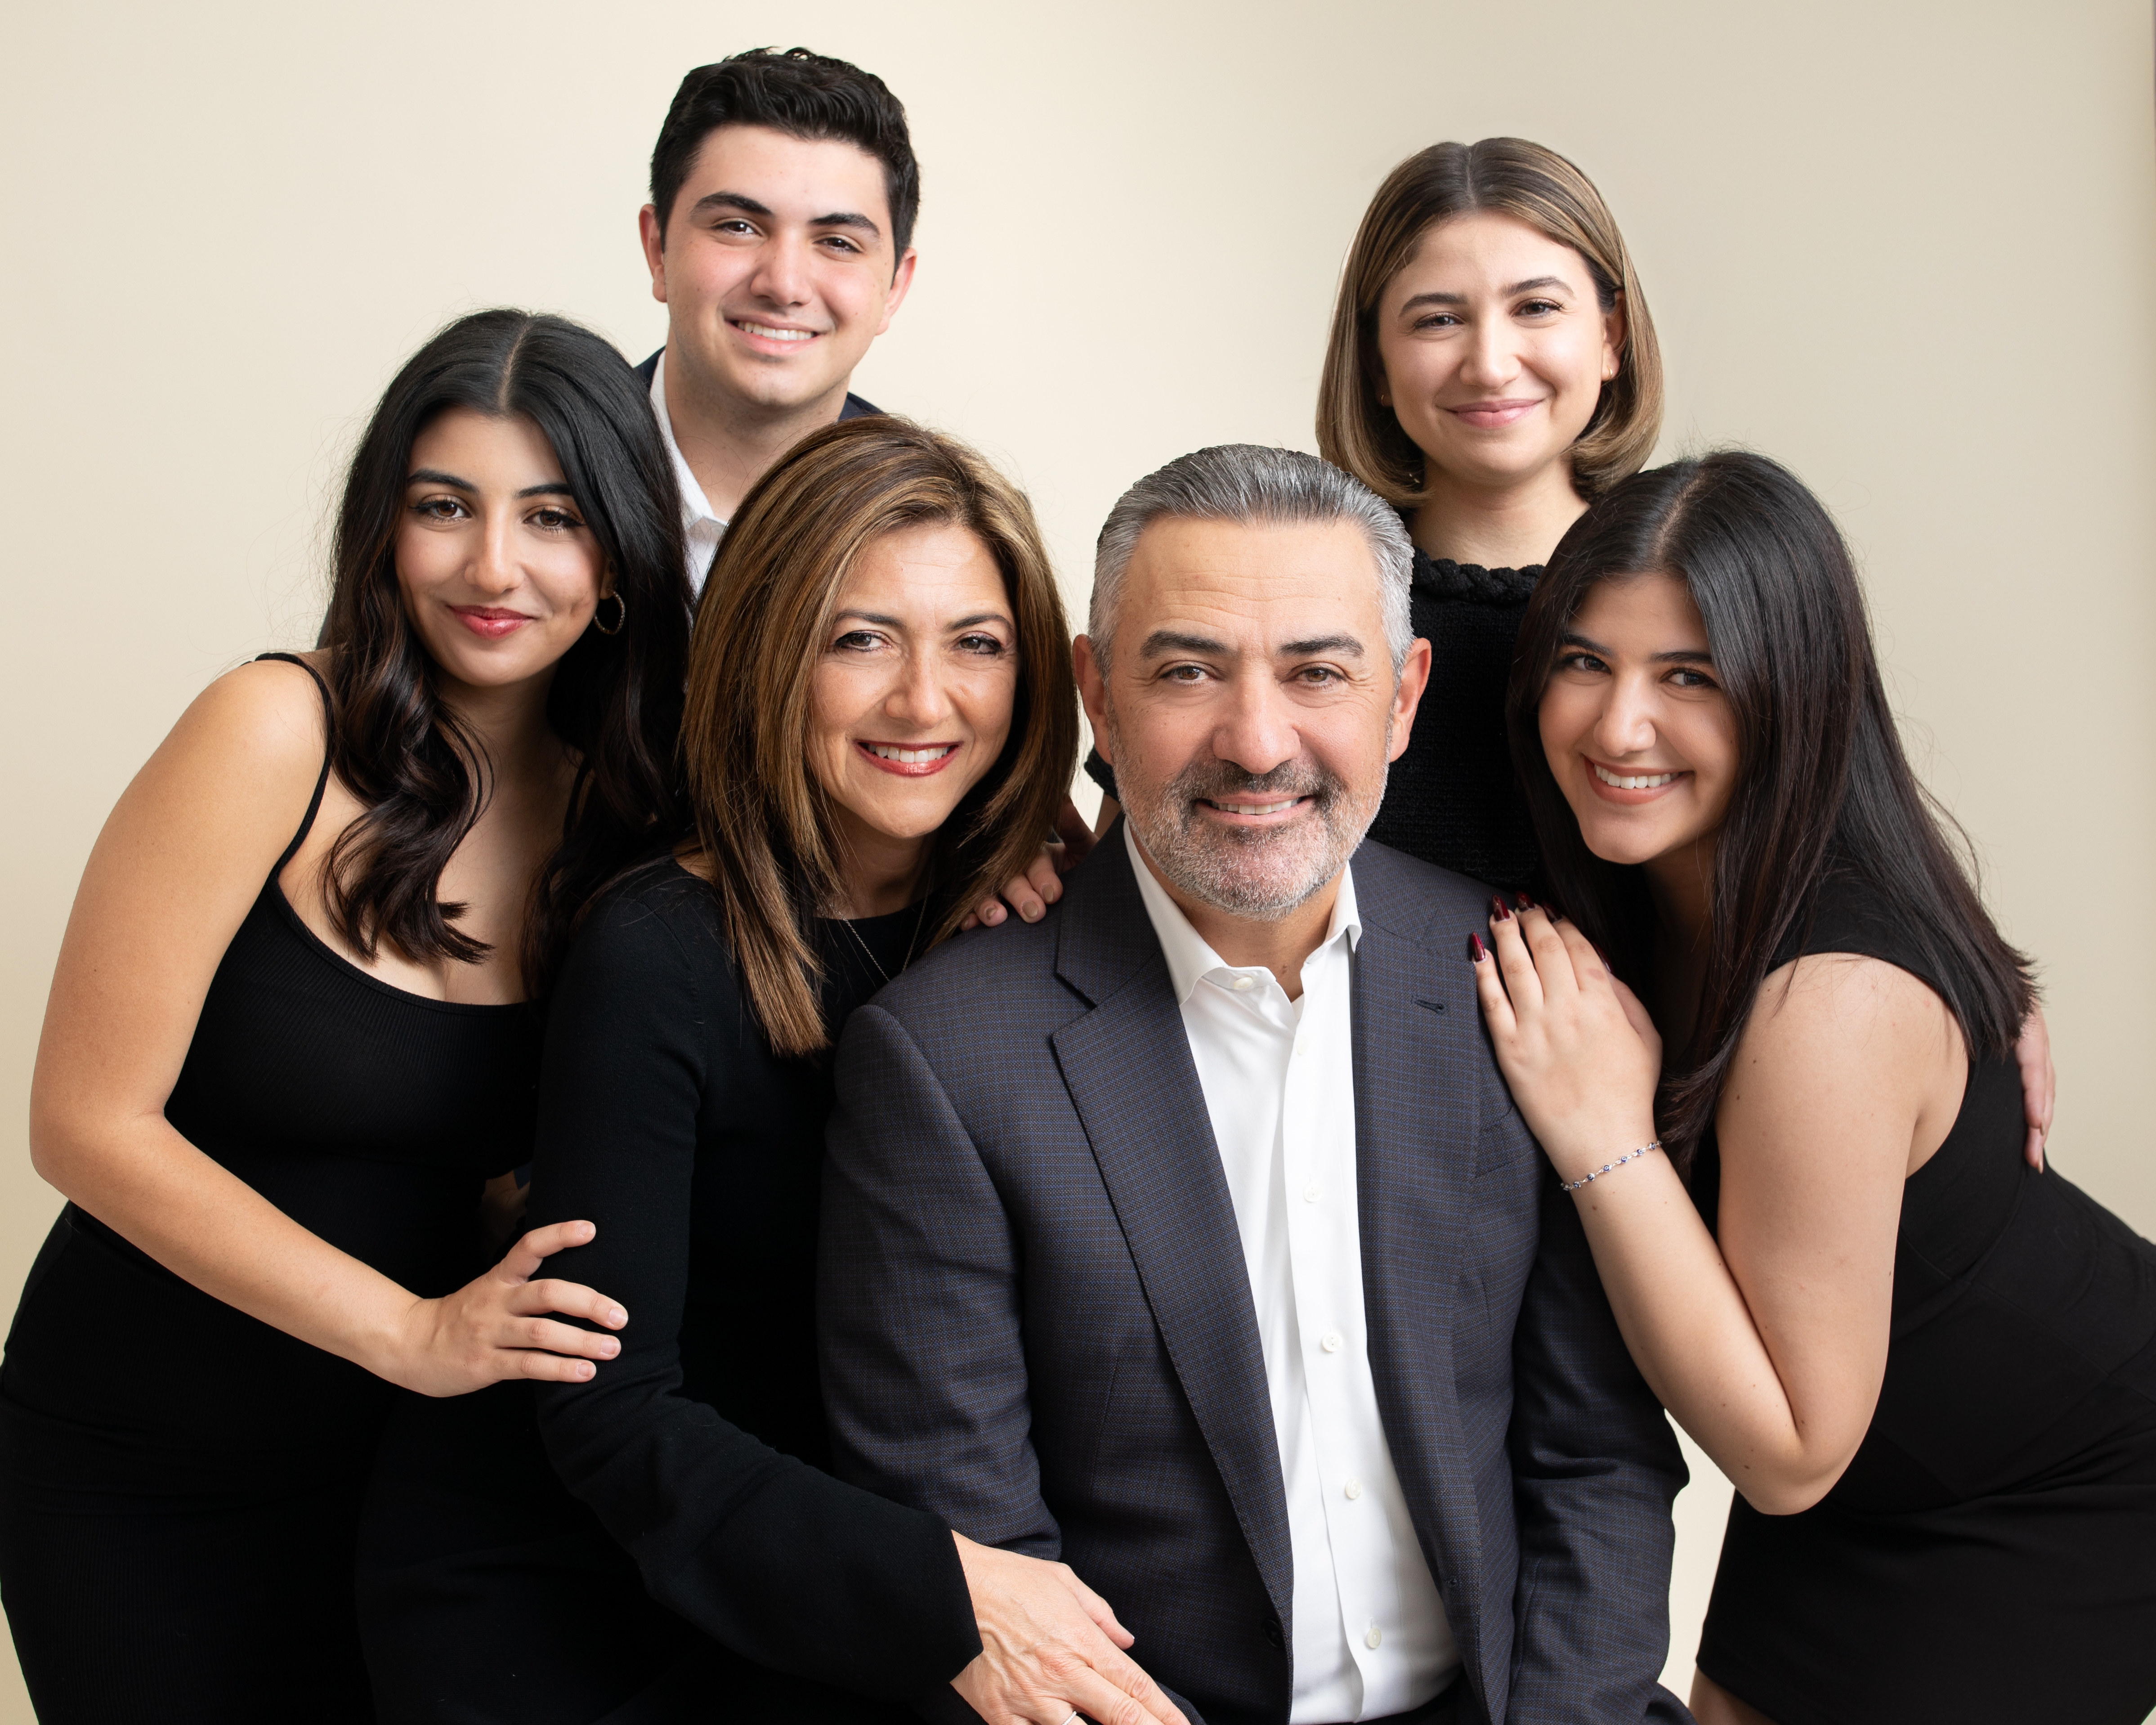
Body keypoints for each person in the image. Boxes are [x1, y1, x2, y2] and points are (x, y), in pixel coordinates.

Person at [822, 444, 1691, 1725]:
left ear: (1403, 697)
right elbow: (977, 1543)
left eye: (1316, 671)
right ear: (1097, 697)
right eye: (1186, 671)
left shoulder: (1514, 982)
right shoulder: (943, 1060)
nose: (1256, 741)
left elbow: (1595, 1460)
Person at [359, 416, 1186, 1725]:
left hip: (844, 1561)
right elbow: (610, 1410)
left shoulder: (1033, 917)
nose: (924, 701)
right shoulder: (657, 954)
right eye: (859, 640)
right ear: (768, 650)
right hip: (583, 1597)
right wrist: (943, 1592)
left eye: (976, 644)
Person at [0, 309, 693, 1722]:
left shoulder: (624, 814)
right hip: (145, 1474)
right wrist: (406, 1331)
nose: (492, 566)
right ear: (385, 529)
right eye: (444, 507)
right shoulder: (272, 732)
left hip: (414, 1491)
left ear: (619, 556)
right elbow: (83, 1124)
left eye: (550, 517)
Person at [1472, 450, 2156, 1725]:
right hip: (1860, 1463)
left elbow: (1786, 1451)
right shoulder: (1645, 881)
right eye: (1583, 661)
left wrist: (1602, 1130)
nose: (1618, 725)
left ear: (1790, 694)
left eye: (1689, 676)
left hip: (2053, 1485)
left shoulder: (1828, 997)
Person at [634, 47, 917, 593]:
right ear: (658, 251)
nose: (784, 285)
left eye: (838, 242)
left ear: (894, 288)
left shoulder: (944, 533)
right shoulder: (540, 473)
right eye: (738, 227)